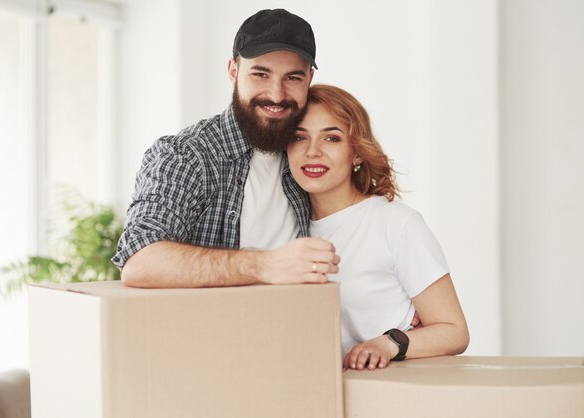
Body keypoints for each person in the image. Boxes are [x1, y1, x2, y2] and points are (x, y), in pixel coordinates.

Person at [113, 9, 340, 288]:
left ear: (309, 78)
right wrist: (264, 265)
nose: (277, 94)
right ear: (233, 71)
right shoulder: (186, 155)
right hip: (211, 329)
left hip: (292, 326)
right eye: (260, 74)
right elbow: (139, 263)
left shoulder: (306, 155)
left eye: (293, 78)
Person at [286, 84, 469, 370]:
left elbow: (454, 330)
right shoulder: (284, 231)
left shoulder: (394, 223)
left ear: (357, 153)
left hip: (389, 396)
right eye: (299, 137)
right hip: (318, 398)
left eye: (331, 138)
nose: (312, 152)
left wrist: (389, 343)